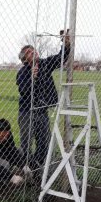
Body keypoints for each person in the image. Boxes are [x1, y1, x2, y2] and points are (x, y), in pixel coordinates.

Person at [17, 31, 71, 171]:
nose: (33, 52)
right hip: (26, 112)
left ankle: (38, 169)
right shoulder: (22, 73)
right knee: (26, 143)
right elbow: (24, 91)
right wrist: (32, 78)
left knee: (43, 143)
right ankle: (26, 169)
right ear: (24, 59)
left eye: (33, 50)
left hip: (42, 111)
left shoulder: (45, 64)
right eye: (29, 52)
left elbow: (61, 58)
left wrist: (65, 44)